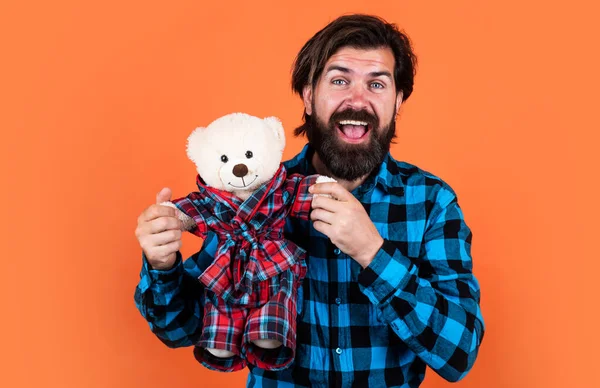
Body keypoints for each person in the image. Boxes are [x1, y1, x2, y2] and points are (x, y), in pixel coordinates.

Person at [134, 14, 485, 387]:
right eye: (339, 80)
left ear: (397, 101)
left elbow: (459, 354)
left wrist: (372, 253)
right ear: (308, 95)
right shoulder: (253, 197)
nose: (358, 99)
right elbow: (178, 331)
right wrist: (162, 264)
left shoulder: (431, 201)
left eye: (377, 84)